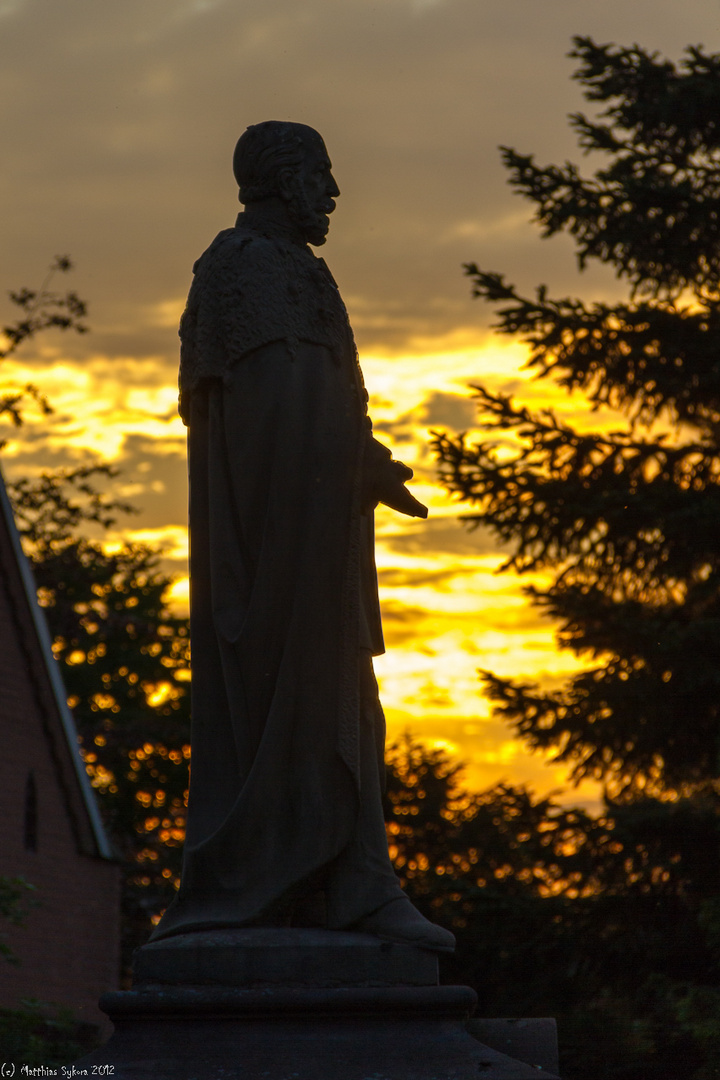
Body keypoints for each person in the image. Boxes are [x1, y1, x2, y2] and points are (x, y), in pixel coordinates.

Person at [151, 121, 454, 952]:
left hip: (322, 527)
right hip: (279, 540)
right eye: (321, 174)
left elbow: (318, 401)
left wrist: (365, 462)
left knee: (350, 702)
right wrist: (346, 465)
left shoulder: (301, 271)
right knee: (309, 704)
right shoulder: (243, 268)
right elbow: (269, 419)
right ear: (284, 180)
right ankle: (306, 881)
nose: (334, 192)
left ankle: (356, 880)